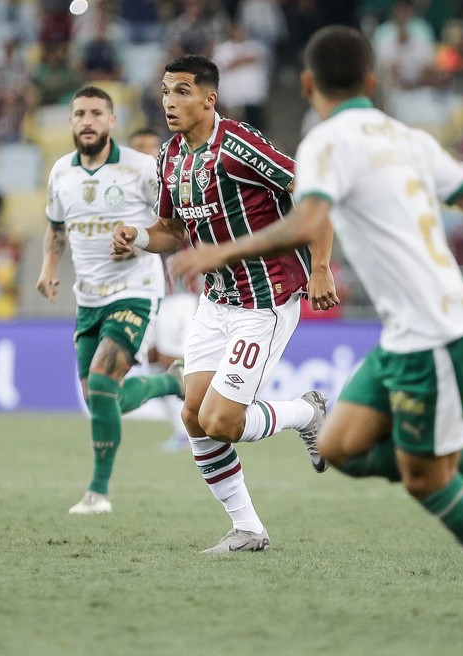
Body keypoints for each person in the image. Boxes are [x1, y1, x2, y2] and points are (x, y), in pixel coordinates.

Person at [170, 26, 463, 628]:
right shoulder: (409, 137)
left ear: (306, 84)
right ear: (373, 81)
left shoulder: (326, 141)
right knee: (342, 449)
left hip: (435, 330)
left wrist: (222, 253)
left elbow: (308, 214)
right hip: (413, 329)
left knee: (426, 480)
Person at [111, 55, 333, 554]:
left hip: (266, 299)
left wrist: (320, 266)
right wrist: (138, 239)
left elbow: (313, 195)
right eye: (166, 90)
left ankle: (305, 412)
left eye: (183, 91)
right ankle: (249, 529)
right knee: (194, 416)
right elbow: (171, 230)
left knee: (222, 422)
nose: (170, 100)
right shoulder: (170, 157)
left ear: (209, 98)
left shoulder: (238, 146)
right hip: (216, 301)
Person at [37, 86, 185, 515]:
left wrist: (138, 242)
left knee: (102, 383)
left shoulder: (142, 169)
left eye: (96, 113)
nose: (88, 120)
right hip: (89, 299)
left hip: (135, 292)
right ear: (70, 121)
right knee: (102, 398)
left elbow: (174, 229)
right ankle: (171, 382)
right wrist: (48, 267)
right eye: (79, 112)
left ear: (111, 121)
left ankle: (97, 493)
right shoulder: (61, 172)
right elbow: (55, 227)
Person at [129, 126, 194, 452]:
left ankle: (202, 427)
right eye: (138, 146)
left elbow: (185, 230)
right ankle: (181, 431)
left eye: (150, 147)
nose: (144, 152)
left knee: (175, 361)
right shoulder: (126, 191)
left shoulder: (176, 182)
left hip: (180, 293)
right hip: (149, 294)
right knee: (155, 360)